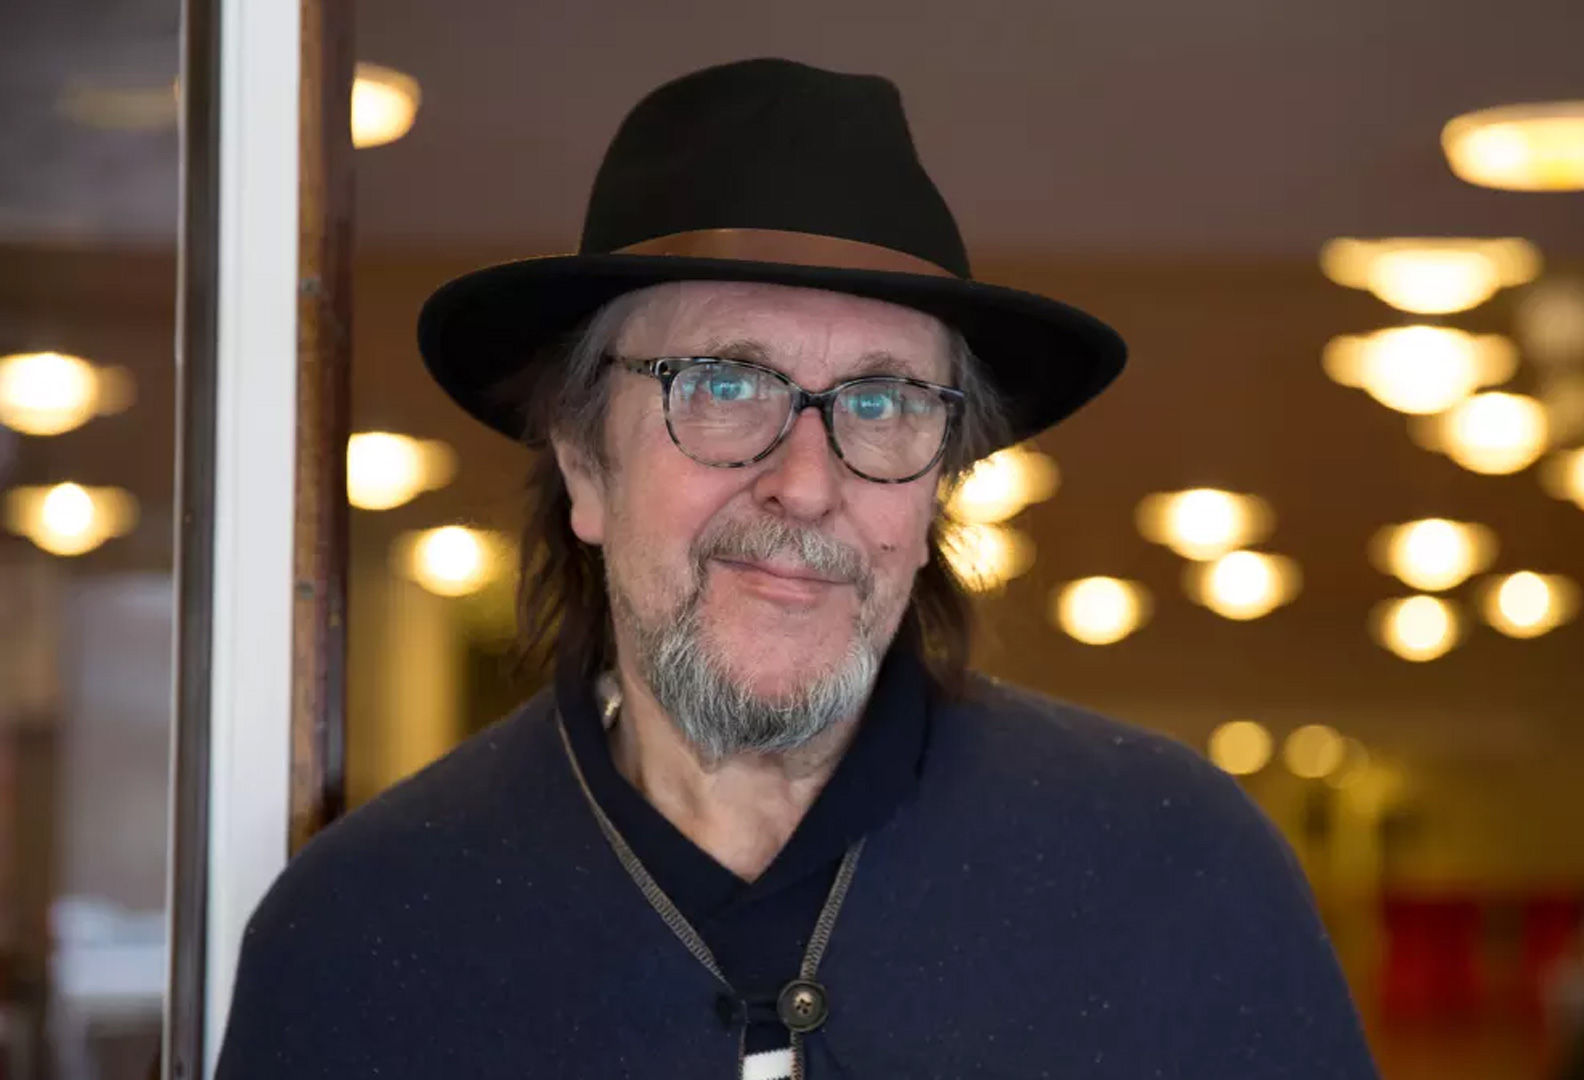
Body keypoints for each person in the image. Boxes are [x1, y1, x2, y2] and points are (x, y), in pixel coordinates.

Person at [215, 58, 1377, 1079]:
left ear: (936, 488)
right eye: (725, 383)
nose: (807, 482)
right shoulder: (367, 933)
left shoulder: (1176, 874)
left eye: (881, 401)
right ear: (583, 461)